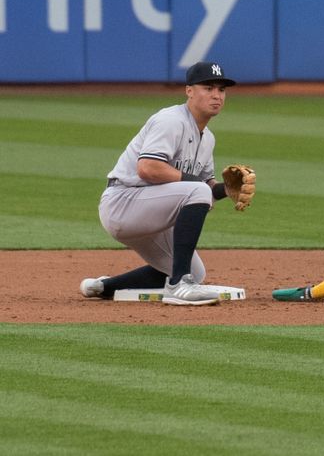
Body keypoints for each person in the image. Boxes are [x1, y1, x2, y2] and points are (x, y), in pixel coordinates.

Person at [80, 61, 255, 306]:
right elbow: (148, 168)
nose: (216, 95)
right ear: (189, 91)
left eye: (221, 90)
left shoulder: (208, 139)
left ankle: (102, 286)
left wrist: (226, 190)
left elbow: (205, 191)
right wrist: (203, 188)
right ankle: (178, 285)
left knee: (196, 272)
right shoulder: (171, 120)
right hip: (123, 203)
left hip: (151, 210)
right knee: (197, 191)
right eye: (208, 87)